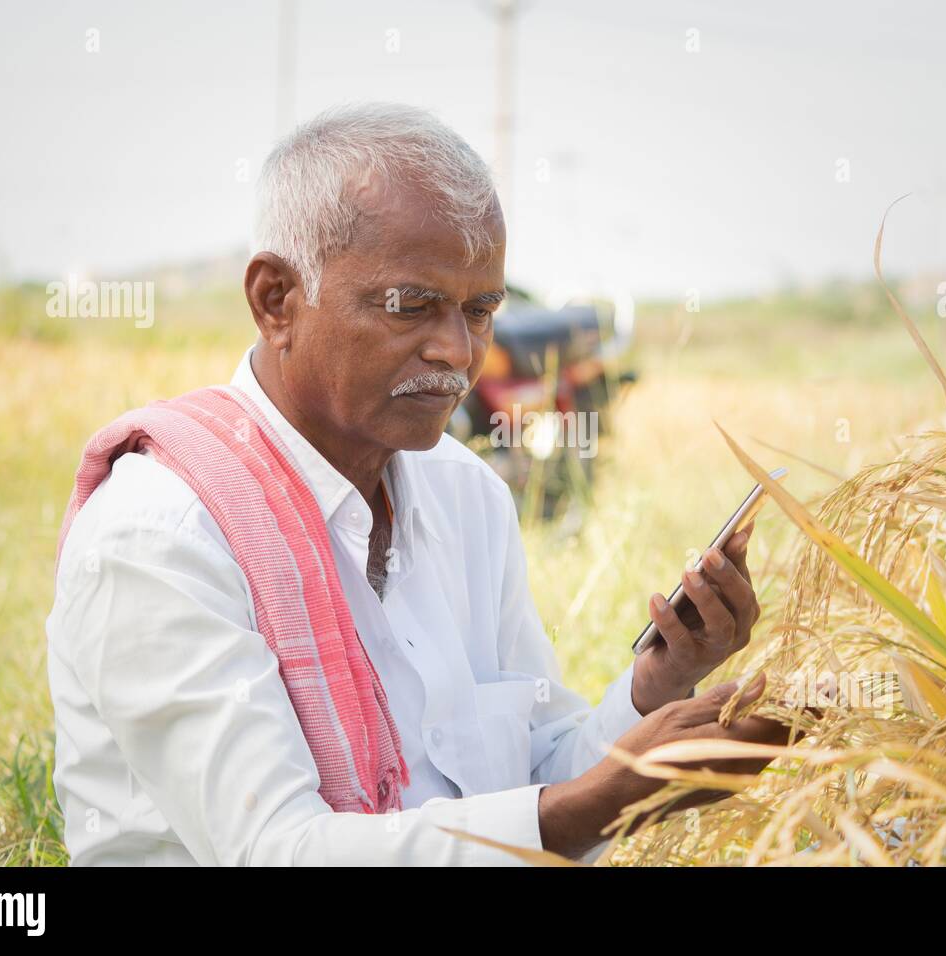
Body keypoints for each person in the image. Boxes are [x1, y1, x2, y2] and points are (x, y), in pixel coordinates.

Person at [46, 102, 790, 866]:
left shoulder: (464, 495)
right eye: (411, 306)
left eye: (481, 310)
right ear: (276, 301)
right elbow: (277, 850)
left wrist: (655, 690)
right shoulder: (161, 532)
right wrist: (608, 796)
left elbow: (531, 783)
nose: (457, 351)